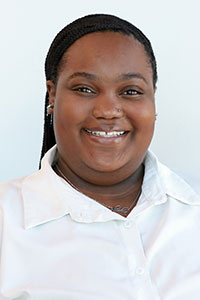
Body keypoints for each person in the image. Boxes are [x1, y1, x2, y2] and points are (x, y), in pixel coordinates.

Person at [0, 14, 200, 300]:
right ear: (52, 96)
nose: (108, 110)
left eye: (131, 91)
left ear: (152, 98)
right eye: (84, 89)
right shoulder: (6, 223)